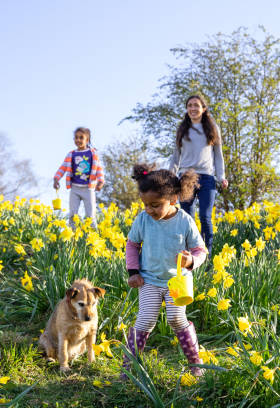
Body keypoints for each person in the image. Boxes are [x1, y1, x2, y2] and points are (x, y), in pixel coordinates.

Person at [123, 163, 209, 378]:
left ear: (173, 200)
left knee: (176, 319)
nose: (149, 210)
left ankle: (195, 365)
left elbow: (200, 250)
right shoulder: (143, 219)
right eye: (146, 205)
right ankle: (129, 368)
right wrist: (133, 272)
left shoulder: (185, 221)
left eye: (155, 205)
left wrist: (191, 261)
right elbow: (132, 244)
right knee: (145, 320)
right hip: (150, 280)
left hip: (177, 281)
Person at [170, 95, 228, 255]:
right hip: (185, 178)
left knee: (205, 216)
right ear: (187, 109)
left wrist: (221, 176)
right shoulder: (182, 129)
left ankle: (205, 254)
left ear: (203, 108)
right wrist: (171, 176)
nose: (193, 108)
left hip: (207, 177)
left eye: (196, 105)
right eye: (190, 105)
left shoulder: (212, 128)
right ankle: (189, 254)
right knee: (186, 218)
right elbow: (175, 156)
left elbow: (218, 155)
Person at [53, 127, 105, 230]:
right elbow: (63, 167)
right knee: (73, 214)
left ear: (87, 140)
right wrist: (56, 179)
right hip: (75, 189)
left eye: (81, 138)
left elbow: (98, 168)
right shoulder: (71, 154)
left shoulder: (92, 153)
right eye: (76, 138)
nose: (78, 140)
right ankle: (73, 236)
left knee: (90, 215)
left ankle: (93, 236)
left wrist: (100, 181)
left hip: (88, 188)